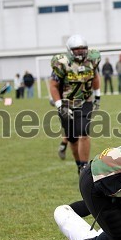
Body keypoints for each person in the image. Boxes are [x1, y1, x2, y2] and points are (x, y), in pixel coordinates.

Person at [50, 34, 101, 174]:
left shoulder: (92, 60)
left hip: (85, 101)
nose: (80, 52)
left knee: (83, 132)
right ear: (70, 50)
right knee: (72, 138)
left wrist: (97, 96)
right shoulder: (62, 63)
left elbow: (95, 77)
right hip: (66, 103)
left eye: (83, 49)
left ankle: (84, 167)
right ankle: (79, 165)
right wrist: (59, 105)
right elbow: (53, 85)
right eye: (77, 49)